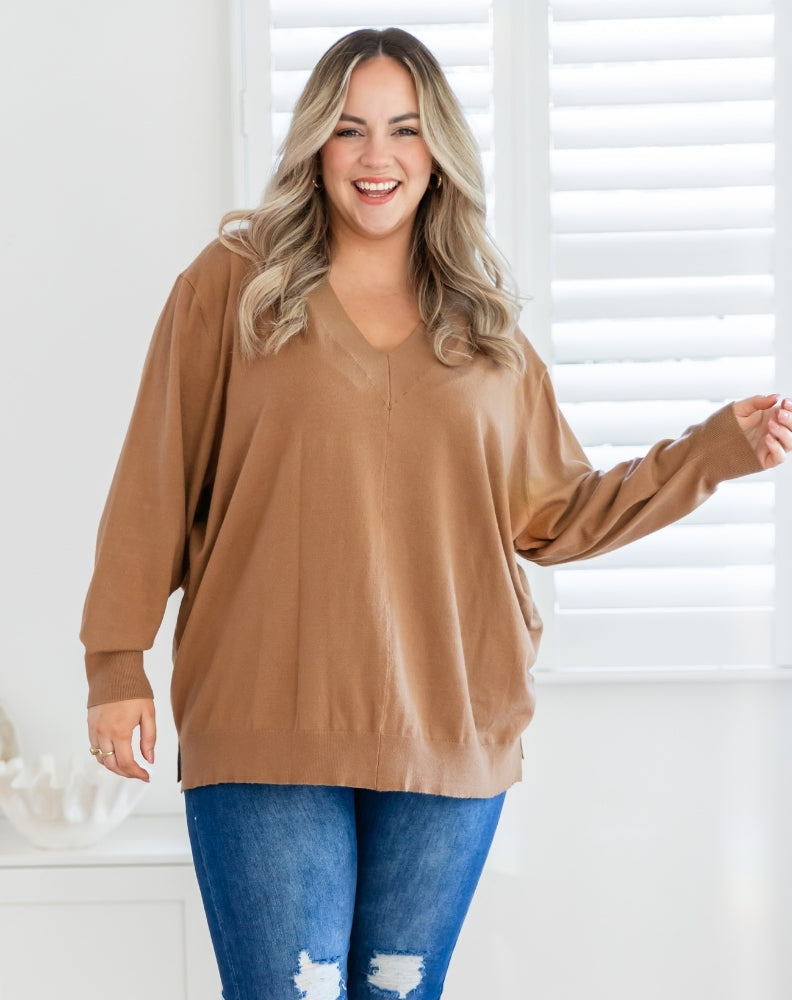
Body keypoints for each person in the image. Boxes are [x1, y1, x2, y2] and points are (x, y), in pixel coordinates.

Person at [81, 27, 791, 1000]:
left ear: (439, 148)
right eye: (350, 128)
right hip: (263, 720)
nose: (376, 156)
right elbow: (155, 474)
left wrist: (714, 451)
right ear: (315, 145)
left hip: (448, 729)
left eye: (404, 129)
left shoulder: (485, 327)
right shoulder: (237, 284)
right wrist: (115, 660)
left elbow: (558, 514)